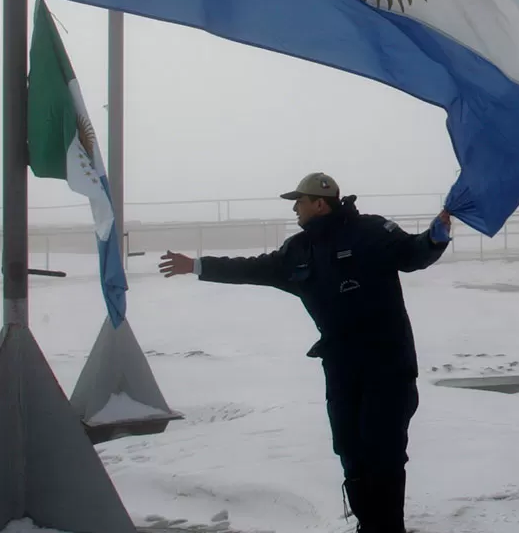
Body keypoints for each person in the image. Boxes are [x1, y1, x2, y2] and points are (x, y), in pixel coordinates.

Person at [158, 172, 452, 533]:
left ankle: (388, 528)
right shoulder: (299, 250)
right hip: (341, 366)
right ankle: (368, 524)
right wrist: (198, 266)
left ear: (319, 202)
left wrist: (434, 238)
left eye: (299, 201)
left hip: (387, 363)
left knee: (384, 451)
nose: (295, 208)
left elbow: (411, 254)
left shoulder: (371, 232)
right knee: (349, 449)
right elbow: (253, 268)